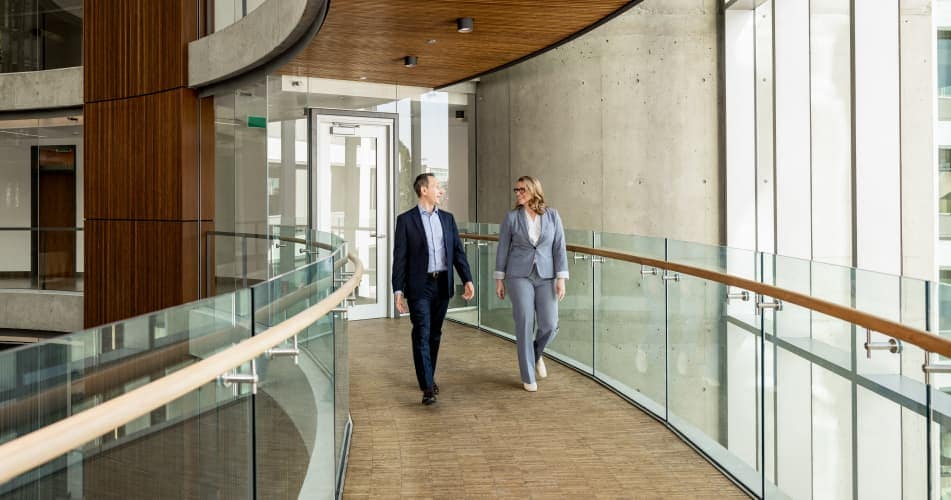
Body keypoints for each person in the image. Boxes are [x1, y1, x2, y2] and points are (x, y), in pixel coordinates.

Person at [392, 173, 475, 405]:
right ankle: (428, 386)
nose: (441, 191)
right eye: (437, 186)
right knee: (422, 331)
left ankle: (428, 375)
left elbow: (457, 252)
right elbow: (400, 258)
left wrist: (467, 279)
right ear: (424, 190)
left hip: (442, 283)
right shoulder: (406, 220)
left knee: (435, 333)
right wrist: (398, 290)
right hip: (419, 285)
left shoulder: (447, 219)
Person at [494, 176, 568, 392]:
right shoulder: (511, 218)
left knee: (550, 324)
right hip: (518, 275)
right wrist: (499, 279)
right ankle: (528, 376)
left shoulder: (552, 215)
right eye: (516, 190)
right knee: (525, 322)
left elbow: (559, 247)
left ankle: (535, 354)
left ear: (534, 190)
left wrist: (561, 278)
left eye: (522, 189)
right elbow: (502, 249)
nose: (518, 193)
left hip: (546, 276)